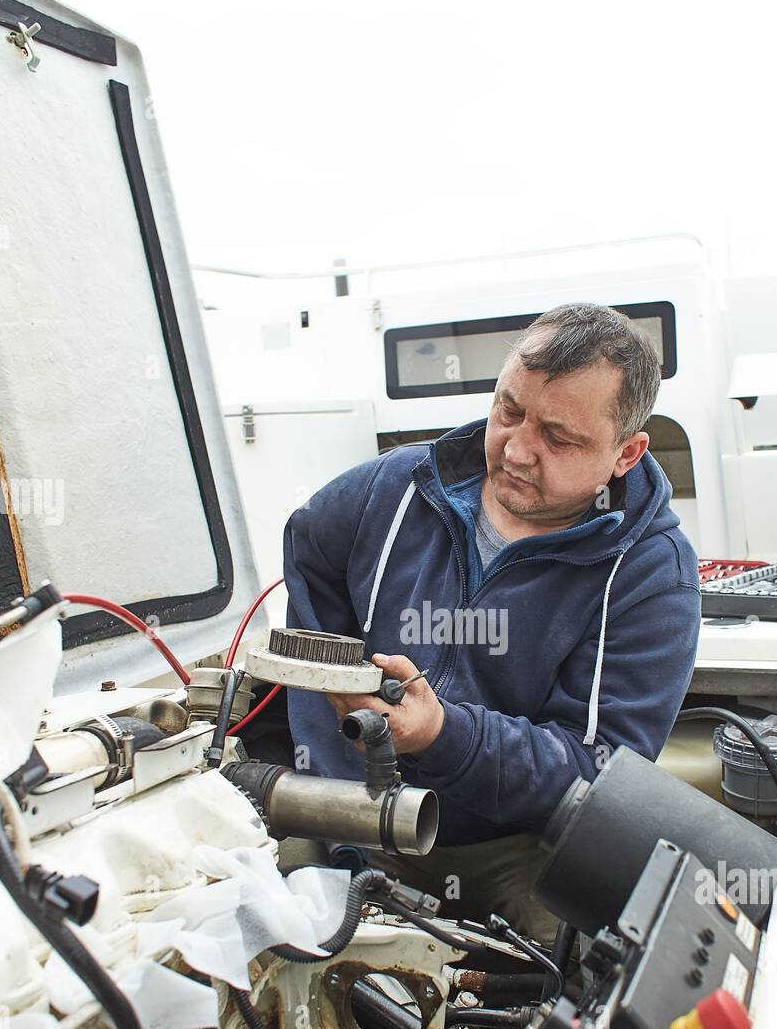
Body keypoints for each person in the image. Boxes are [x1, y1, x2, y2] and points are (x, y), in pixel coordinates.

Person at [282, 303, 701, 943]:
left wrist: (442, 734)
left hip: (516, 844)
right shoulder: (393, 489)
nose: (518, 450)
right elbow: (309, 548)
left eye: (559, 439)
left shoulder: (652, 575)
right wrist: (336, 749)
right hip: (356, 812)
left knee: (574, 971)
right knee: (258, 909)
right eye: (509, 411)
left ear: (626, 453)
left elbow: (598, 772)